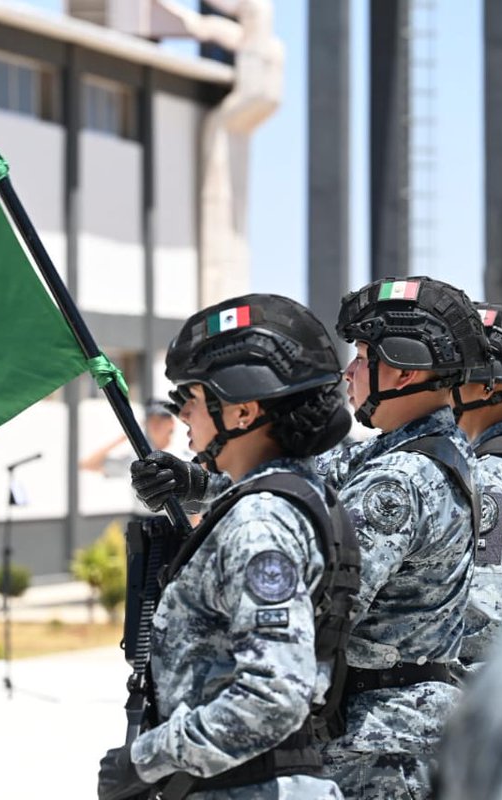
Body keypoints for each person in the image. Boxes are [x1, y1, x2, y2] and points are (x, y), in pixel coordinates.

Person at [133, 276, 489, 799]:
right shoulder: (426, 450)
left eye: (364, 355)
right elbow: (308, 468)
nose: (350, 371)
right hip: (395, 733)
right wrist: (195, 480)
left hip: (375, 749)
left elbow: (321, 603)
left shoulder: (398, 480)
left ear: (406, 368)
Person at [98, 294, 357, 800]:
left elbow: (274, 696)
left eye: (191, 397)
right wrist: (194, 482)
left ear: (242, 410)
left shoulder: (261, 524)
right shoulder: (296, 493)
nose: (182, 413)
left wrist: (146, 760)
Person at [451, 303, 502, 675]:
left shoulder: (494, 478)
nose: (441, 387)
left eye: (453, 375)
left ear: (489, 386)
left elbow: (486, 628)